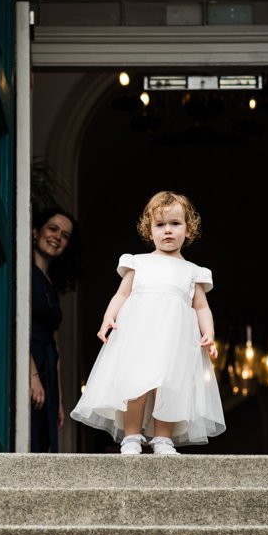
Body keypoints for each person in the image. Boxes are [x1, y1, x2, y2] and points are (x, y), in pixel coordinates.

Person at [71, 191, 226, 455]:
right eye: (160, 224)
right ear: (149, 229)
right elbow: (122, 294)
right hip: (138, 337)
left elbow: (201, 306)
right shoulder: (138, 263)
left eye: (175, 224)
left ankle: (163, 439)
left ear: (188, 230)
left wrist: (208, 333)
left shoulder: (193, 272)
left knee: (170, 386)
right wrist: (109, 317)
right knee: (136, 384)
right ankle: (132, 437)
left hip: (174, 340)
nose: (168, 231)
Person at [30, 207, 81, 453]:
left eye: (65, 235)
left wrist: (58, 399)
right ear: (35, 231)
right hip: (31, 364)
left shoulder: (50, 283)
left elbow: (55, 343)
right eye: (53, 228)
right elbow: (21, 327)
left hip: (48, 366)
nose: (58, 237)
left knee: (46, 440)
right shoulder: (25, 275)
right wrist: (32, 377)